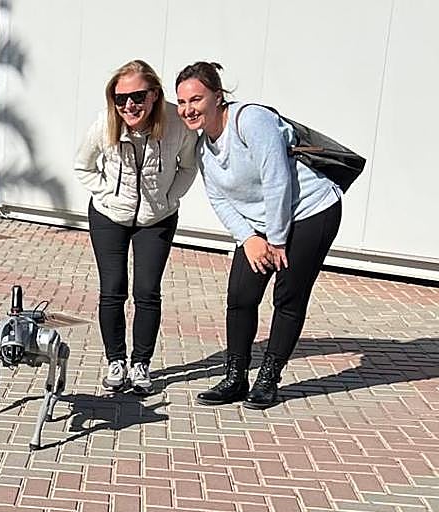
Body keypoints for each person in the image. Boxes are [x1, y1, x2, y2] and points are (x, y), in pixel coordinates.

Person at [176, 61, 343, 409]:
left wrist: (277, 240)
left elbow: (277, 180)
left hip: (310, 210)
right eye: (182, 102)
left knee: (288, 297)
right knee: (240, 296)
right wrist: (248, 238)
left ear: (217, 97)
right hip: (262, 224)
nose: (188, 109)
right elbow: (219, 199)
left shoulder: (251, 121)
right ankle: (236, 377)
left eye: (196, 99)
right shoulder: (203, 147)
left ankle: (269, 378)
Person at [74, 59, 198, 395]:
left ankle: (141, 365)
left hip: (157, 218)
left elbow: (188, 166)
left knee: (147, 292)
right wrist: (108, 194)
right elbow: (82, 166)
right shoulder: (106, 124)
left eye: (138, 96)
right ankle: (116, 361)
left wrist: (169, 198)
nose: (130, 105)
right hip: (109, 216)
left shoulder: (177, 124)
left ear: (155, 94)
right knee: (113, 290)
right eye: (121, 98)